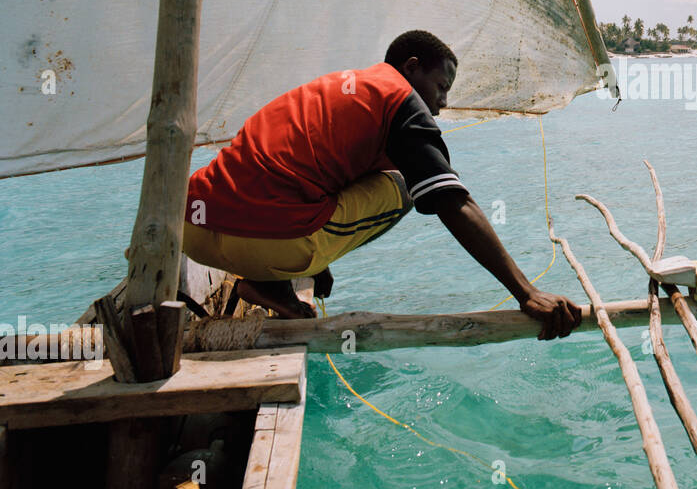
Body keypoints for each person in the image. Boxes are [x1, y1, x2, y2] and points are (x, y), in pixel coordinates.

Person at [181, 30, 583, 339]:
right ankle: (275, 278)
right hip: (267, 243)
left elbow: (313, 167)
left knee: (367, 174)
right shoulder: (400, 100)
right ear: (411, 68)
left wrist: (324, 261)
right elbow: (450, 201)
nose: (442, 103)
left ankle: (275, 280)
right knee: (410, 185)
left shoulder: (338, 88)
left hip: (192, 229)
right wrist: (525, 291)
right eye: (442, 87)